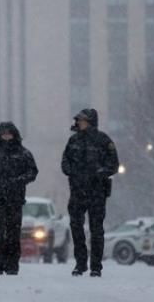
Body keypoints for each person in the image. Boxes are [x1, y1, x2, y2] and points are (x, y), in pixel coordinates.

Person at [61, 109, 119, 277]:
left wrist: (99, 174)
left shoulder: (103, 140)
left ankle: (96, 266)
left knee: (96, 230)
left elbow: (114, 164)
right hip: (78, 191)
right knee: (76, 227)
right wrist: (71, 172)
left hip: (97, 192)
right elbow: (65, 161)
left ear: (91, 121)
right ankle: (80, 263)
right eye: (79, 120)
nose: (79, 122)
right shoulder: (73, 141)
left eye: (83, 120)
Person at [0, 122, 38, 275]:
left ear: (14, 134)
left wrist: (19, 181)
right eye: (4, 133)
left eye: (9, 133)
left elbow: (33, 171)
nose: (6, 136)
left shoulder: (23, 153)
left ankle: (12, 265)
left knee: (13, 232)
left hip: (15, 198)